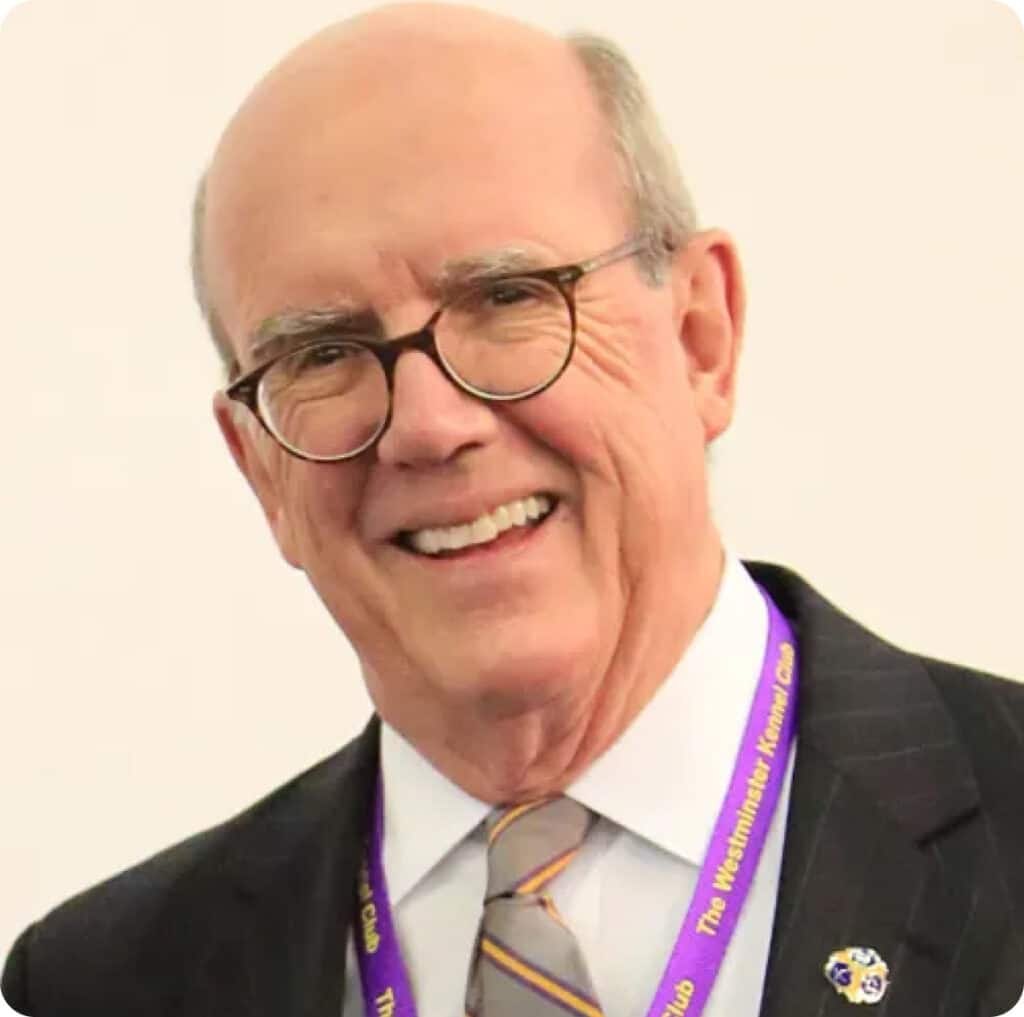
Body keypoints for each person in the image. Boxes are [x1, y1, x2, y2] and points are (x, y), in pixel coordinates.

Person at [3, 4, 1023, 1015]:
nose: (430, 425)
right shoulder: (106, 984)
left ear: (700, 336)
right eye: (320, 354)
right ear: (259, 468)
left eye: (508, 298)